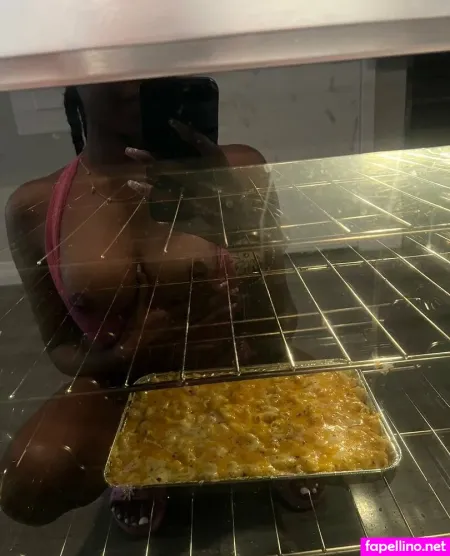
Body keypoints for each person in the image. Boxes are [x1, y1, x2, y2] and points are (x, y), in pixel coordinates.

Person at [0, 79, 319, 535]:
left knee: (341, 425)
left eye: (147, 66)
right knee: (31, 483)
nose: (135, 83)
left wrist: (238, 225)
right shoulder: (35, 204)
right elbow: (61, 348)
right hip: (124, 386)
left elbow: (283, 320)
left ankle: (222, 439)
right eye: (112, 66)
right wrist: (125, 353)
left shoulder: (240, 170)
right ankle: (145, 452)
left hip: (239, 363)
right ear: (73, 76)